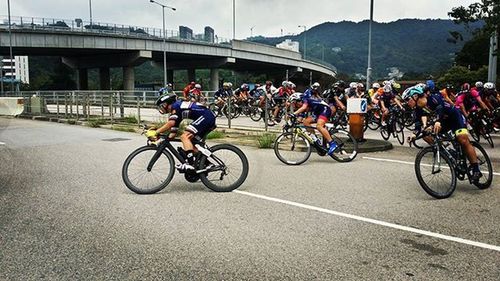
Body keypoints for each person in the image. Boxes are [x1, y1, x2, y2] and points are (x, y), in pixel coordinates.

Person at [402, 86, 483, 182]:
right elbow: (418, 123)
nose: (407, 102)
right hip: (443, 122)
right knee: (426, 135)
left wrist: (438, 121)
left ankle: (476, 169)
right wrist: (414, 134)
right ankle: (447, 151)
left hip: (455, 118)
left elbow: (440, 108)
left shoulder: (432, 98)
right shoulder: (418, 109)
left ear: (415, 96)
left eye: (407, 99)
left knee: (462, 139)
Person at [146, 90, 216, 172]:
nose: (161, 109)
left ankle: (190, 165)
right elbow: (172, 133)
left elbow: (170, 123)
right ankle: (208, 164)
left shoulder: (175, 107)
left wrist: (156, 132)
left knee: (184, 136)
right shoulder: (177, 112)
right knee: (192, 144)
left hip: (206, 116)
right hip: (207, 117)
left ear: (166, 104)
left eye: (161, 106)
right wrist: (161, 138)